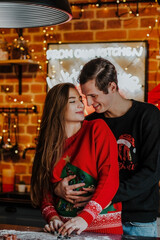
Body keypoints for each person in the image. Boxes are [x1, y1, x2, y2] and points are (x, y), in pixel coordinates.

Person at [54, 58, 160, 237]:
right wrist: (57, 187)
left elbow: (152, 171)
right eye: (85, 96)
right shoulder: (90, 123)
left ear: (112, 87)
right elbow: (71, 165)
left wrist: (104, 195)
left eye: (93, 95)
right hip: (98, 219)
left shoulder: (148, 116)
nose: (88, 103)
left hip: (136, 221)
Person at [30, 82, 123, 236]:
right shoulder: (48, 145)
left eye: (80, 99)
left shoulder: (97, 129)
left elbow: (110, 179)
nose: (81, 104)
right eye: (73, 101)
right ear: (57, 108)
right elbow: (43, 190)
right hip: (65, 232)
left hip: (103, 231)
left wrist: (84, 218)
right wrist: (53, 218)